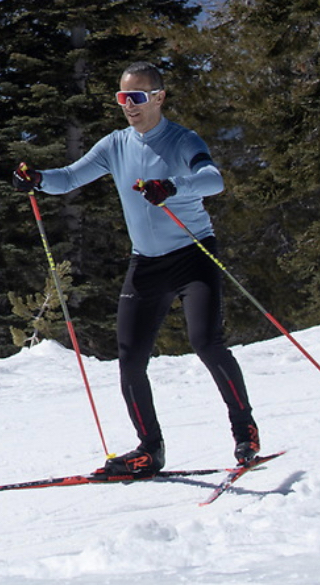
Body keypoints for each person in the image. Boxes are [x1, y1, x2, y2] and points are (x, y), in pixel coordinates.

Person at [13, 62, 258, 478]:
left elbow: (212, 179)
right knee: (130, 360)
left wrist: (174, 186)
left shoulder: (183, 140)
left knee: (206, 342)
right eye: (123, 98)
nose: (130, 106)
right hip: (146, 263)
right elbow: (70, 177)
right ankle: (150, 449)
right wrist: (37, 179)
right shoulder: (115, 144)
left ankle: (244, 429)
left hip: (193, 254)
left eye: (138, 97)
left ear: (159, 97)